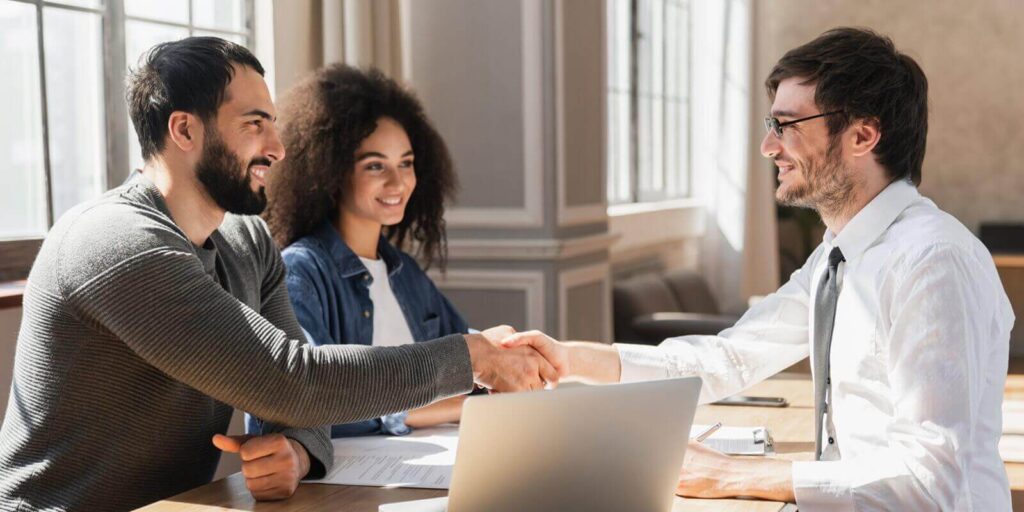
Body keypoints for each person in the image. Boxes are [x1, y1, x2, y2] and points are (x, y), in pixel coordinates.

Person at [0, 37, 556, 512]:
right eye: (254, 125)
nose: (279, 148)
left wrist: (297, 452)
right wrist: (472, 356)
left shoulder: (247, 241)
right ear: (184, 130)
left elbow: (294, 404)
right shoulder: (118, 244)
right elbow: (292, 379)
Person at [503, 27, 1013, 510]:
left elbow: (929, 482)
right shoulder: (839, 256)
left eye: (786, 126)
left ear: (862, 136)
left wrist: (730, 475)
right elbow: (731, 357)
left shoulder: (934, 261)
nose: (769, 146)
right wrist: (569, 360)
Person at [253, 64, 470, 439]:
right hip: (350, 483)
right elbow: (311, 398)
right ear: (333, 172)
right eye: (375, 166)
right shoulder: (300, 272)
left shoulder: (404, 271)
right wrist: (419, 410)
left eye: (406, 163)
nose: (397, 181)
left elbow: (467, 352)